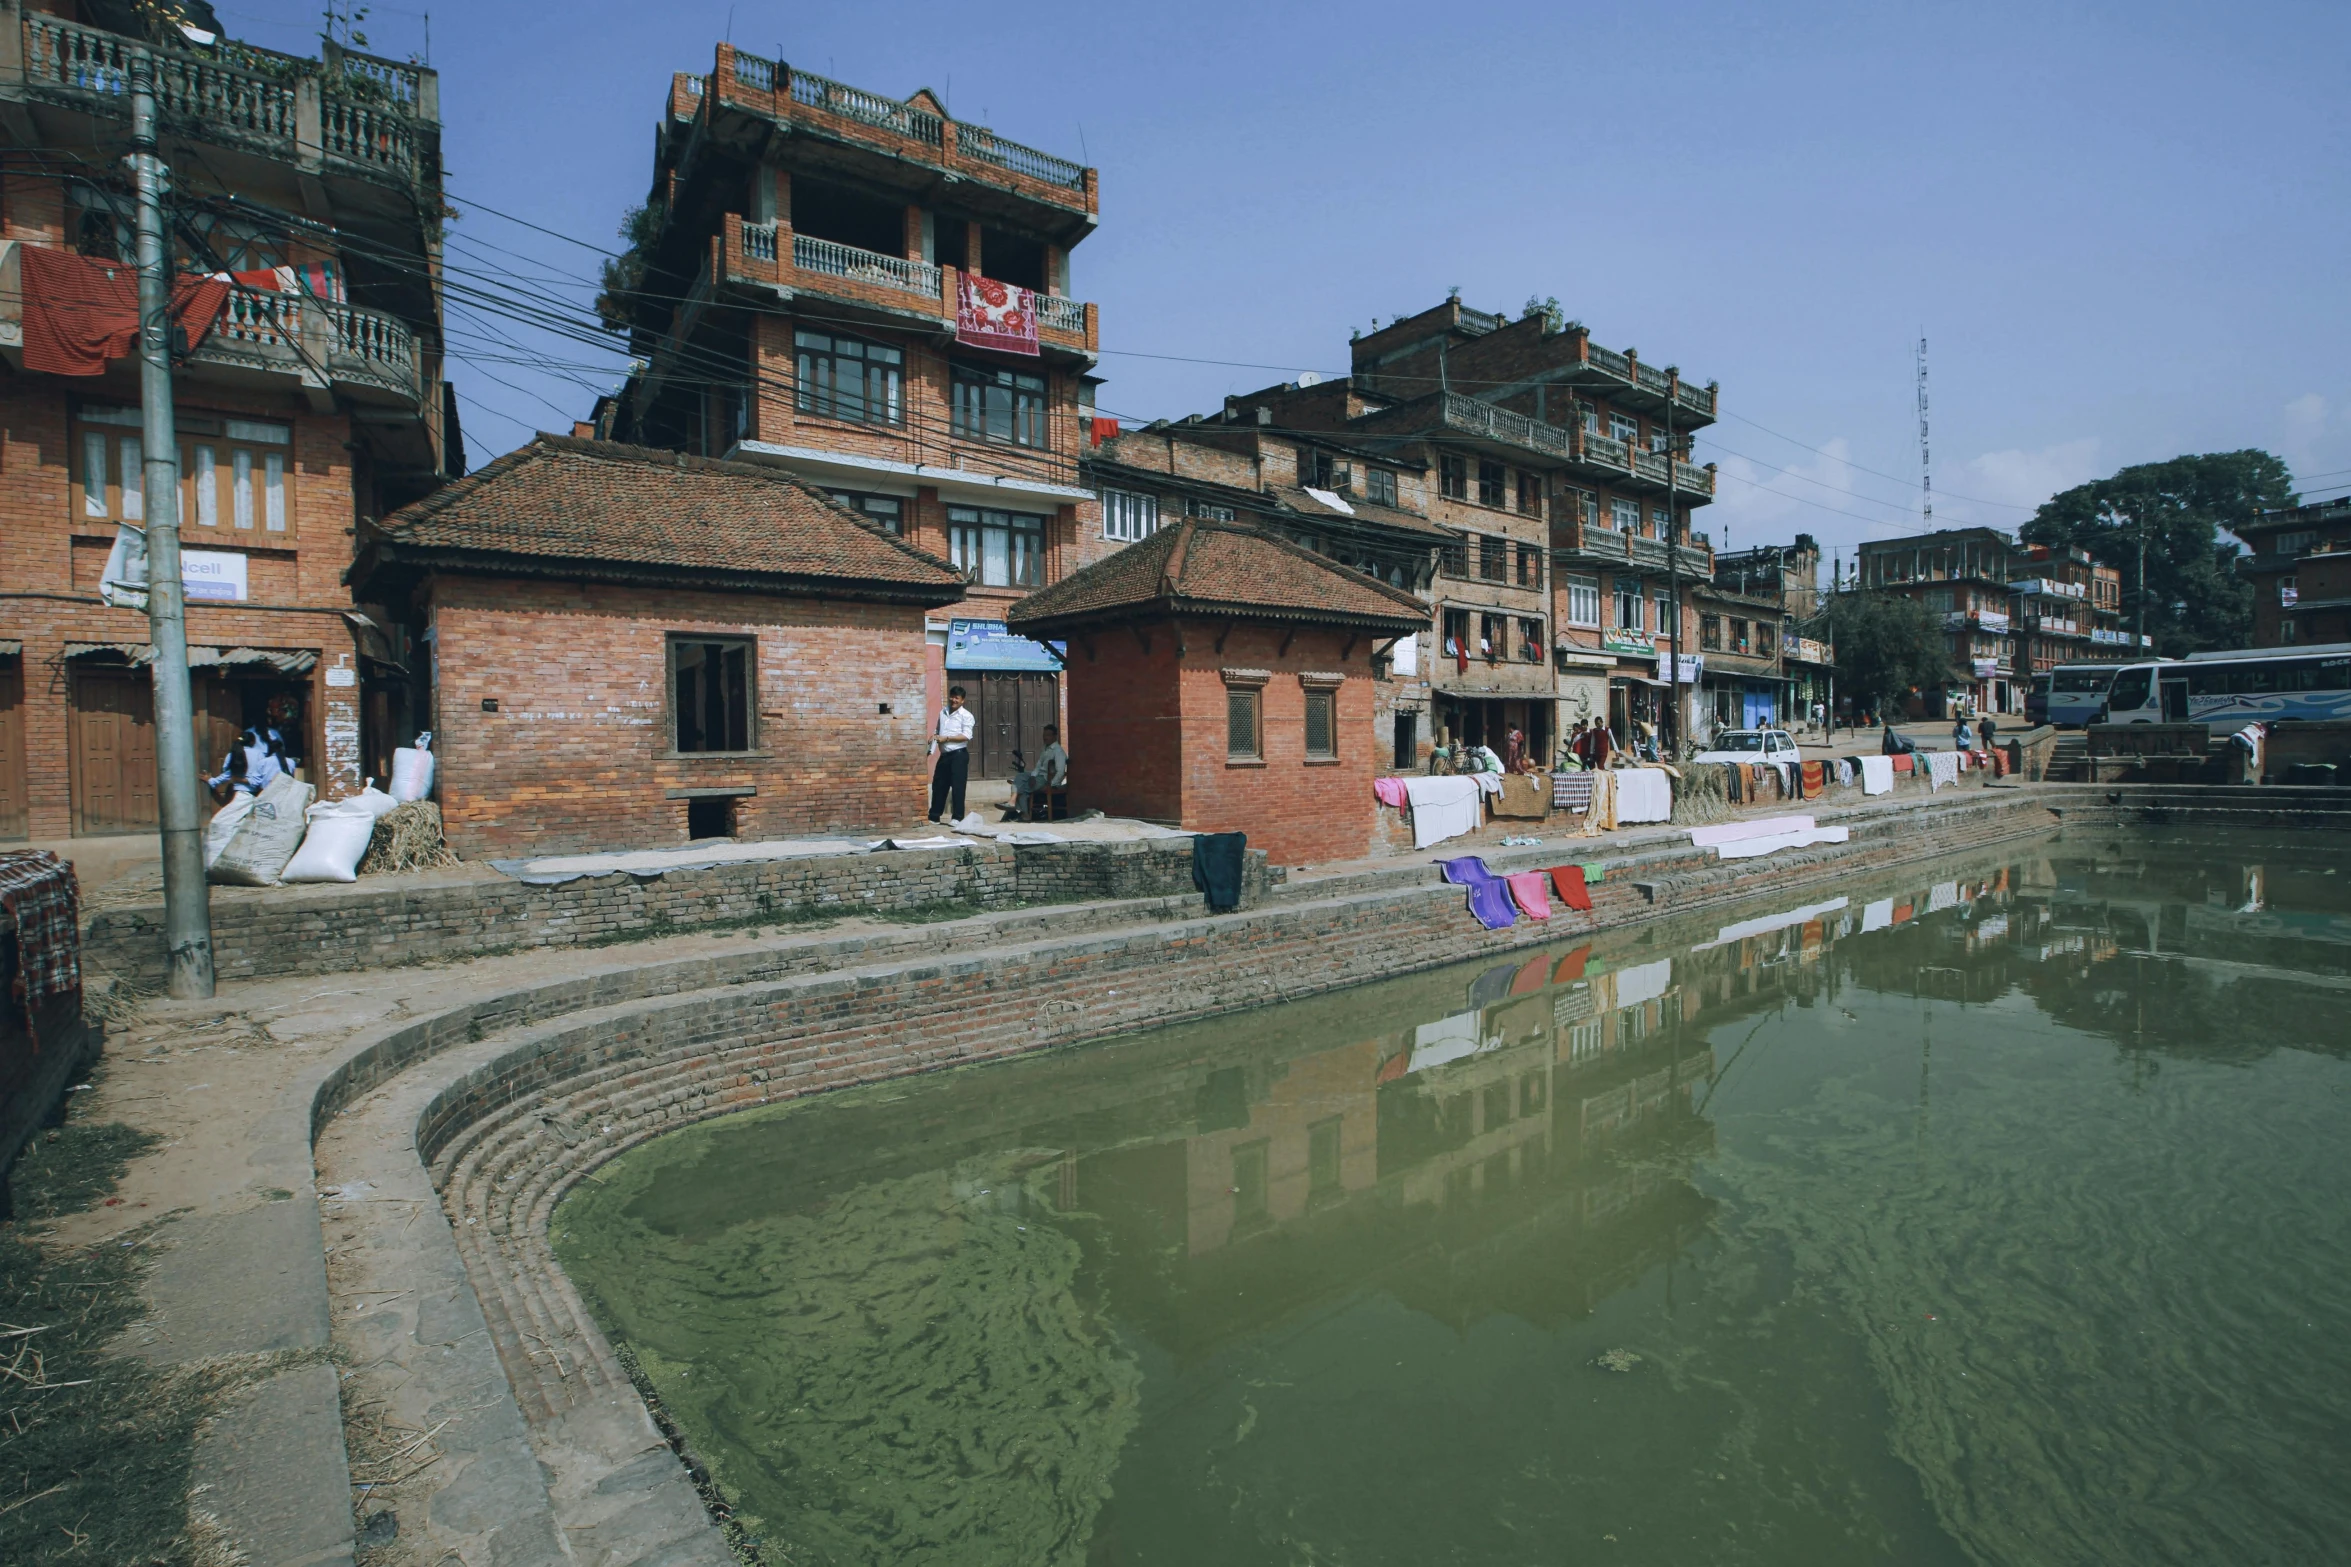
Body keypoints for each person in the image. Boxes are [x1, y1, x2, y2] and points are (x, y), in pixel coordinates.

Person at [927, 685, 975, 824]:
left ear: (962, 700)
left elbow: (966, 736)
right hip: (945, 754)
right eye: (952, 697)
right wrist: (934, 737)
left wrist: (947, 738)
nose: (953, 700)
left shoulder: (966, 716)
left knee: (958, 786)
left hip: (958, 755)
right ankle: (934, 815)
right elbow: (937, 729)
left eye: (957, 698)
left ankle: (957, 817)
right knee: (939, 785)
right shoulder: (943, 712)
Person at [1015, 724, 1070, 821]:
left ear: (1054, 736)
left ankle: (1023, 813)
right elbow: (1038, 765)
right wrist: (1032, 776)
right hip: (1037, 776)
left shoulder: (1058, 751)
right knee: (1020, 777)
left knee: (1022, 789)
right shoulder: (1045, 748)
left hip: (1045, 779)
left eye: (1048, 735)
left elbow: (1060, 772)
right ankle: (1016, 804)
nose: (1045, 737)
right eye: (1044, 735)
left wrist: (1051, 785)